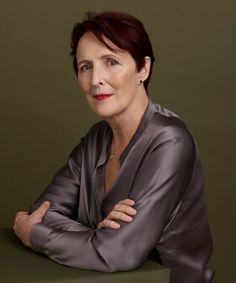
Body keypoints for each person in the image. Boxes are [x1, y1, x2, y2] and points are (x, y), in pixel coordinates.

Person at [13, 11, 214, 283]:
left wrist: (34, 234)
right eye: (85, 66)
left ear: (143, 68)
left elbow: (117, 254)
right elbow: (43, 211)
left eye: (111, 62)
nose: (96, 79)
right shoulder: (97, 139)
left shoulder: (170, 141)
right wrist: (98, 236)